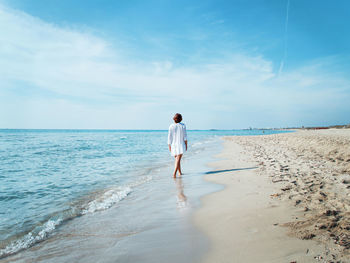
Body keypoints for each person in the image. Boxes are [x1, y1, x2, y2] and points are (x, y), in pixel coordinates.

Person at [167, 113, 188, 178]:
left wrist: (169, 146)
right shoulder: (183, 125)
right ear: (180, 119)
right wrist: (186, 145)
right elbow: (185, 136)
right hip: (180, 144)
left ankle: (179, 172)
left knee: (177, 159)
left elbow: (169, 137)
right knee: (178, 159)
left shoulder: (171, 126)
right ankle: (174, 173)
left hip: (173, 145)